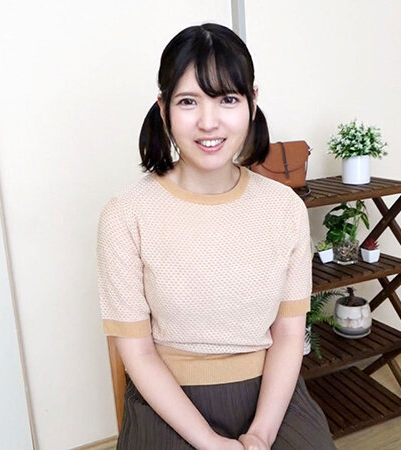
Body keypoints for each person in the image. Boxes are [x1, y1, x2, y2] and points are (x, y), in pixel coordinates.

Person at [96, 23, 336, 450]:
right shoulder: (126, 213)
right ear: (163, 107)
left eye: (227, 99)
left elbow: (288, 334)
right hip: (168, 399)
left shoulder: (284, 208)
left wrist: (260, 434)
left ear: (252, 102)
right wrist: (210, 443)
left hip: (270, 395)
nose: (209, 123)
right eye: (188, 101)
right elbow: (137, 352)